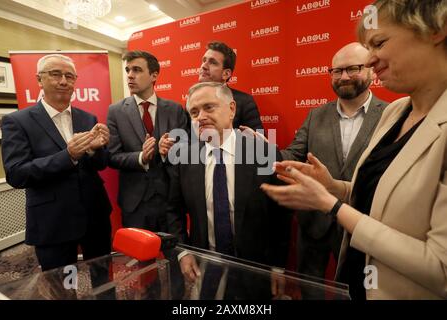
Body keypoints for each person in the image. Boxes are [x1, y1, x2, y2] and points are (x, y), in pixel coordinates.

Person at [261, 0, 447, 300]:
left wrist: (332, 205)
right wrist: (333, 187)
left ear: (436, 31)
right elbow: (380, 192)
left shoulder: (386, 110)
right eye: (336, 70)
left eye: (380, 43)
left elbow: (440, 269)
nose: (373, 60)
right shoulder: (397, 112)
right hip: (346, 262)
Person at [166, 82, 290, 299]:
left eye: (209, 107)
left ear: (231, 109)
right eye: (194, 112)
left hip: (255, 271)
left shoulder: (265, 153)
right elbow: (173, 210)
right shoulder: (184, 158)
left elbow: (281, 216)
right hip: (206, 268)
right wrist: (183, 252)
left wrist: (278, 266)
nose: (200, 117)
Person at [280, 42, 387, 289]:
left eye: (353, 68)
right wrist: (261, 151)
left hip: (362, 224)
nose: (344, 76)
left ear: (371, 70)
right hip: (314, 224)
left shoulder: (390, 114)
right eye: (337, 71)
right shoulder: (316, 115)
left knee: (358, 291)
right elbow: (294, 154)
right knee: (310, 291)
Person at [1, 54, 112, 271]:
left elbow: (100, 165)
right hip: (53, 222)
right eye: (55, 74)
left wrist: (96, 151)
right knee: (62, 287)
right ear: (39, 79)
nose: (63, 81)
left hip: (95, 216)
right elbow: (16, 174)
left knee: (103, 279)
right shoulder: (17, 121)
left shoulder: (88, 118)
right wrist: (68, 155)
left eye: (69, 76)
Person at [107, 50, 189, 231]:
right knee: (138, 257)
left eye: (136, 70)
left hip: (171, 201)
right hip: (135, 204)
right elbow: (112, 156)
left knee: (177, 256)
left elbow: (187, 150)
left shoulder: (175, 109)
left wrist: (170, 150)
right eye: (128, 70)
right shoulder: (116, 111)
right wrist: (141, 157)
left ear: (154, 75)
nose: (130, 75)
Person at [199, 41, 263, 131]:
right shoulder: (192, 100)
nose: (204, 66)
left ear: (226, 74)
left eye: (212, 62)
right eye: (204, 60)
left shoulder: (245, 102)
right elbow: (186, 140)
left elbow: (260, 142)